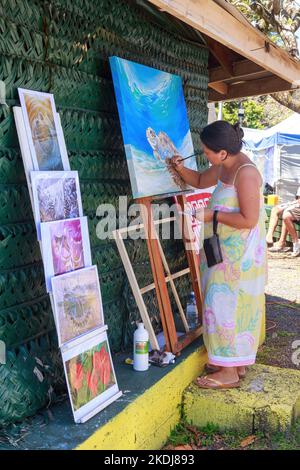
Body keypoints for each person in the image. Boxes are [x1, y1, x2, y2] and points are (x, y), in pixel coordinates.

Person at [171, 120, 267, 389]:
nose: (204, 154)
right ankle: (234, 363)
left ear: (223, 152)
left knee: (225, 307)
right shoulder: (224, 165)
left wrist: (213, 214)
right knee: (223, 306)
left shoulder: (245, 173)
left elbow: (249, 219)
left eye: (207, 151)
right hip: (224, 252)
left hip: (241, 258)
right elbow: (201, 180)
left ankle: (228, 373)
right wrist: (180, 168)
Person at [266, 187, 300, 257]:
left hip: (297, 204)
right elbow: (298, 198)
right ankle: (269, 238)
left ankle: (289, 243)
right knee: (275, 209)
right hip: (297, 203)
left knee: (286, 213)